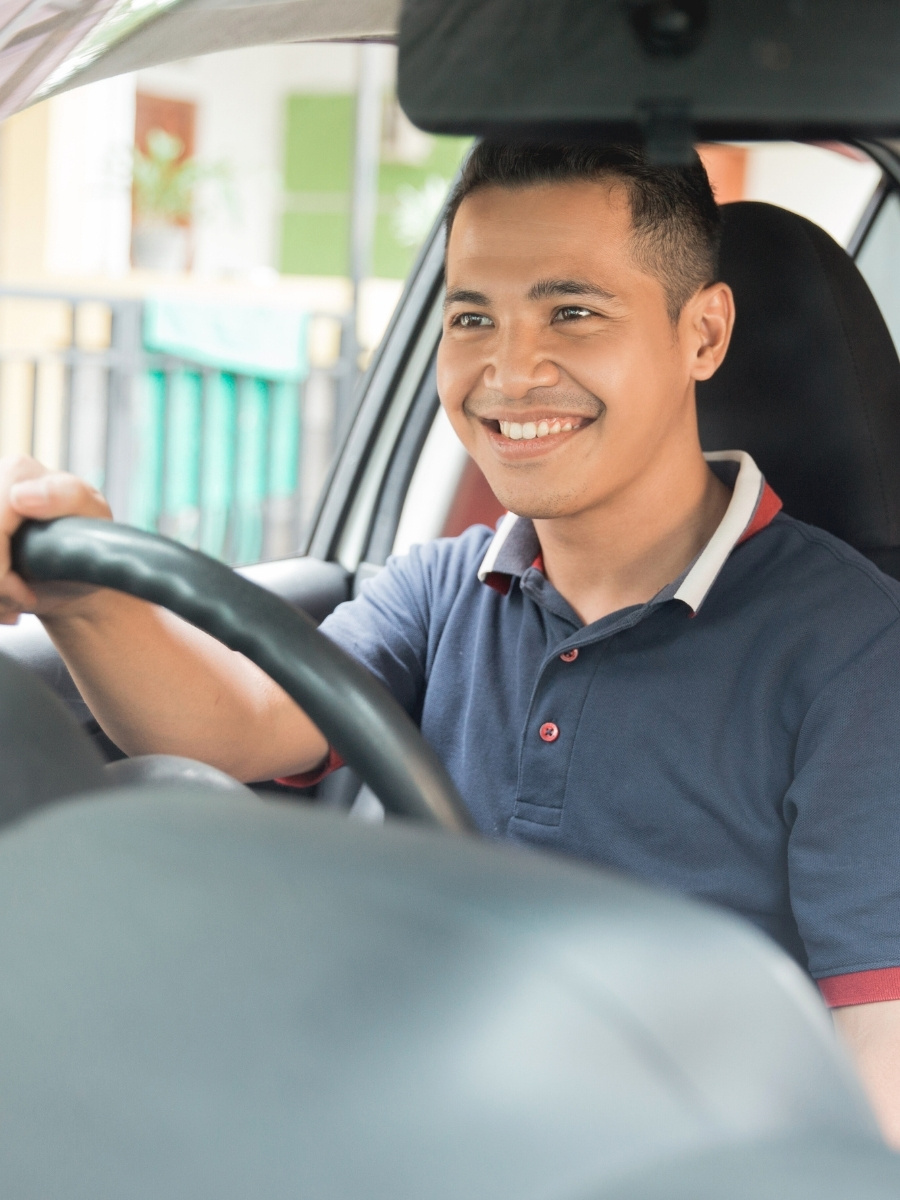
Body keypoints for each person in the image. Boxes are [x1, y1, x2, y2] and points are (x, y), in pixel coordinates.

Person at [1, 142, 900, 1138]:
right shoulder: (444, 585)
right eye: (472, 317)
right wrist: (83, 602)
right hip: (403, 1121)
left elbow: (881, 1054)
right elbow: (240, 727)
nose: (510, 372)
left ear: (703, 332)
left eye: (572, 312)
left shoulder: (856, 651)